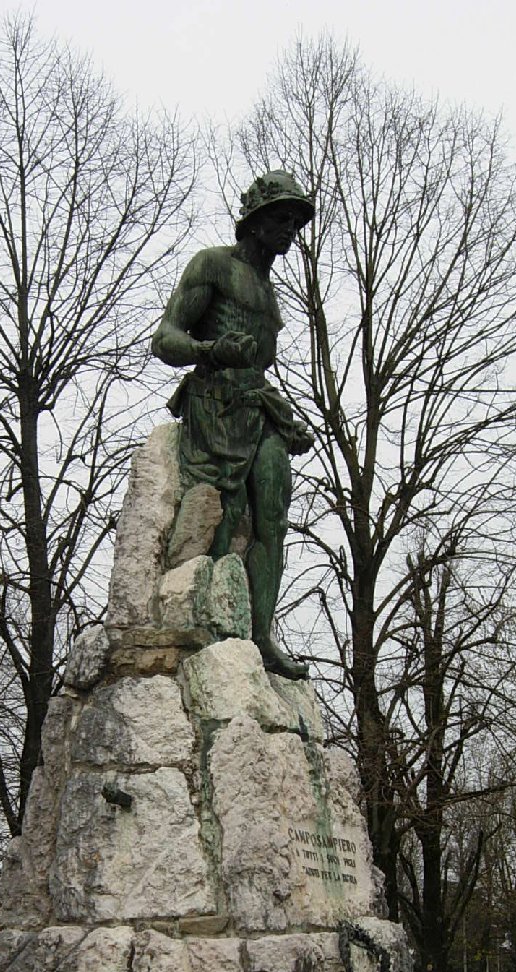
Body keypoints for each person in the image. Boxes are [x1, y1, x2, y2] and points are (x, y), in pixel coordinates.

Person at [152, 170, 314, 680]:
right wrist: (208, 349)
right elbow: (164, 339)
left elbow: (259, 367)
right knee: (221, 525)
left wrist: (287, 417)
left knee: (275, 514)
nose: (290, 228)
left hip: (255, 407)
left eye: (295, 221)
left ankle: (262, 634)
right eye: (280, 218)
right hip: (212, 406)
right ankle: (212, 620)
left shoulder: (269, 294)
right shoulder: (213, 265)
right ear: (254, 220)